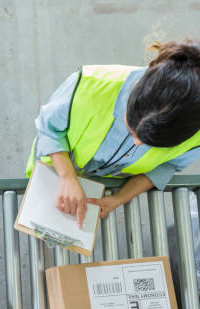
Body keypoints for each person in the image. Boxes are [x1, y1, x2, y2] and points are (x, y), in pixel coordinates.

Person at [26, 40, 200, 227]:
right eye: (131, 128)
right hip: (54, 166)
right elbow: (49, 127)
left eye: (153, 142)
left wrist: (119, 198)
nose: (137, 143)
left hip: (104, 185)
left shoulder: (195, 134)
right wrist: (67, 177)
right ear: (136, 86)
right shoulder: (90, 85)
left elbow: (167, 165)